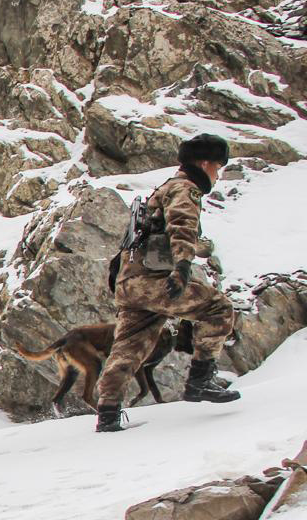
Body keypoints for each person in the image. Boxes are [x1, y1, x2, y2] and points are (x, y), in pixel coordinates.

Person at [95, 134, 240, 432]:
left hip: (129, 283)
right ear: (204, 163)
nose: (218, 173)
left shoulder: (162, 189)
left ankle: (108, 412)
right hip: (154, 281)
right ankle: (201, 379)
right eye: (217, 166)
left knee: (129, 346)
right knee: (219, 308)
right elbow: (182, 226)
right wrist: (183, 268)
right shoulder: (185, 189)